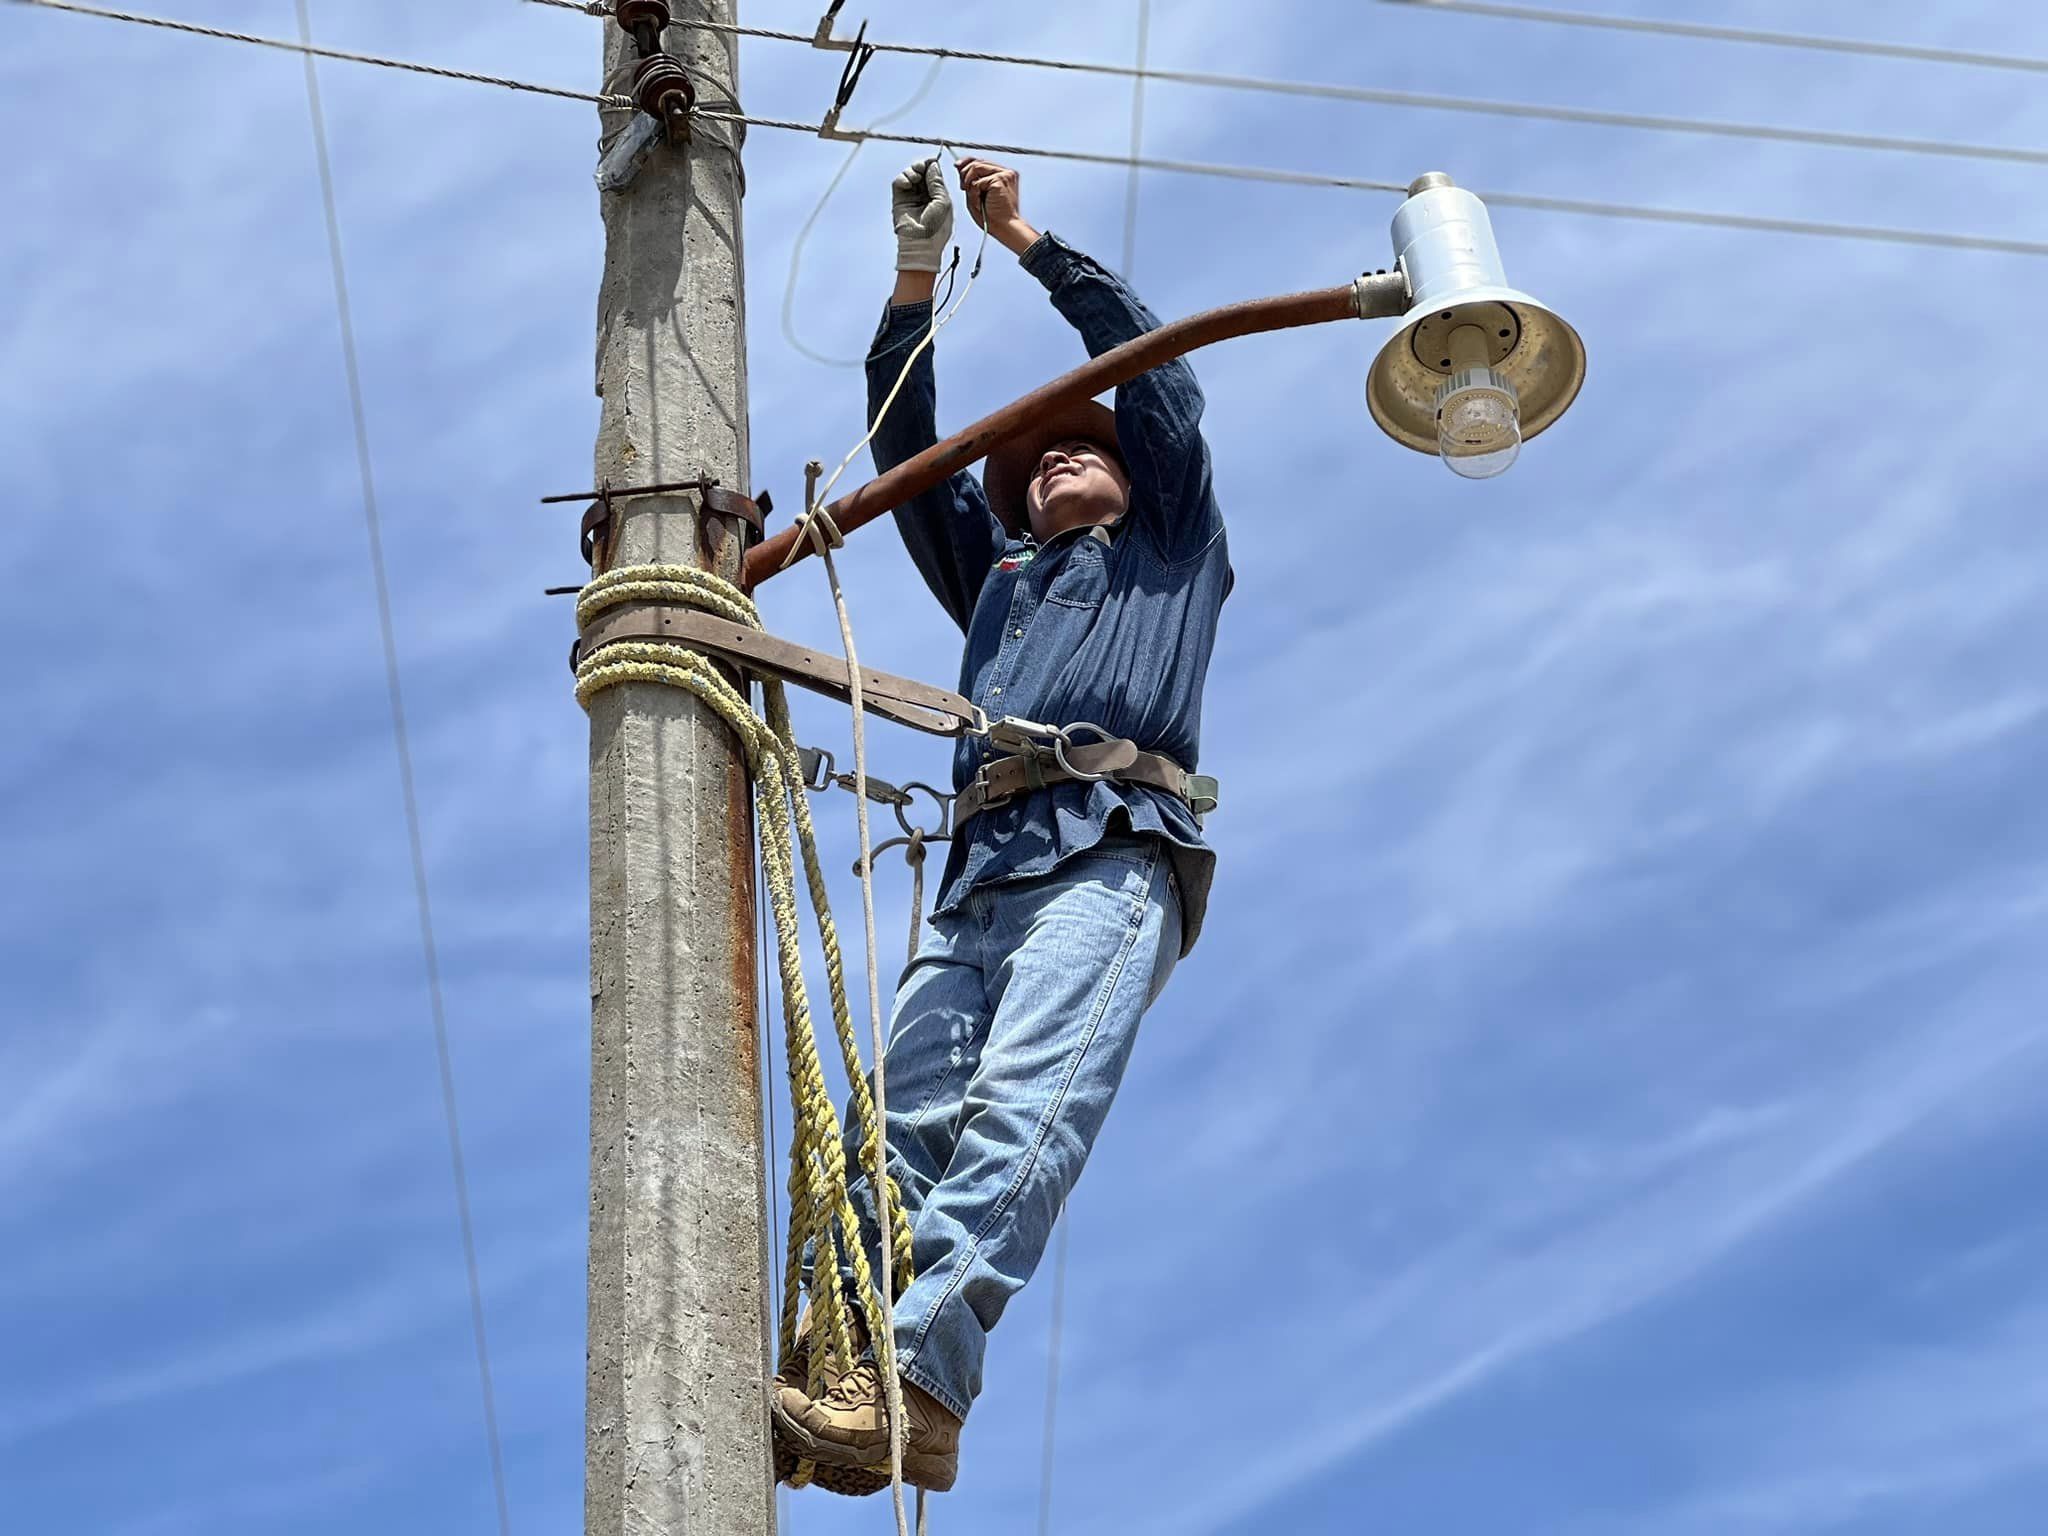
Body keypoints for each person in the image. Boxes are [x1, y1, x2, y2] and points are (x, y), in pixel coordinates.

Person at [771, 154, 1232, 1494]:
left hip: (1113, 854)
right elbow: (914, 463)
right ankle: (839, 1366)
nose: (1057, 462)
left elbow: (1161, 375)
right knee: (895, 1126)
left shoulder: (1173, 549)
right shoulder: (1002, 585)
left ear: (1142, 480)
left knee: (1022, 1111)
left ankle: (920, 1384)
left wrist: (1022, 241)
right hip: (982, 879)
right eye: (1033, 465)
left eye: (1086, 448)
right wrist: (914, 283)